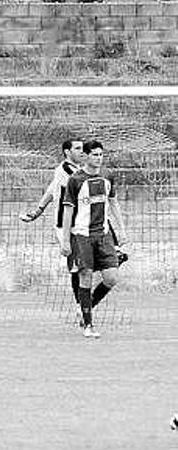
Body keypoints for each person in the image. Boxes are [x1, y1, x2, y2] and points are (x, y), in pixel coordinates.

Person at [60, 140, 128, 338]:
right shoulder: (75, 180)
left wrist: (121, 230)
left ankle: (85, 306)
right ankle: (88, 326)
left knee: (112, 277)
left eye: (101, 155)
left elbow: (113, 204)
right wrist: (65, 240)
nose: (99, 158)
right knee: (85, 276)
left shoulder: (108, 176)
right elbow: (67, 210)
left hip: (104, 234)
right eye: (95, 155)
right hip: (81, 235)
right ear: (86, 156)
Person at [20, 139, 85, 307]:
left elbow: (51, 191)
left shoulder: (71, 170)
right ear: (67, 152)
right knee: (78, 266)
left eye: (83, 149)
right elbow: (83, 185)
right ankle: (81, 305)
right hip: (66, 225)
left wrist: (38, 211)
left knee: (84, 265)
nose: (81, 151)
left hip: (82, 222)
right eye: (77, 148)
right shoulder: (66, 170)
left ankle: (84, 304)